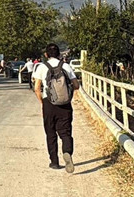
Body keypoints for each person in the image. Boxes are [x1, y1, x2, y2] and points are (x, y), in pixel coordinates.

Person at [34, 44, 80, 173]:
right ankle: (67, 152)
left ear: (46, 55)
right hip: (64, 104)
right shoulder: (65, 66)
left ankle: (54, 162)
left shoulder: (41, 67)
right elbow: (76, 85)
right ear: (59, 54)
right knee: (65, 132)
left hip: (48, 104)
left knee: (50, 133)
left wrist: (42, 102)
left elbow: (37, 88)